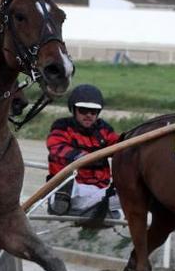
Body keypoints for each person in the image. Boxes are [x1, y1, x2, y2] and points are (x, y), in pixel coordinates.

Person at [46, 84, 121, 218]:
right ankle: (67, 206)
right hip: (72, 189)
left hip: (100, 190)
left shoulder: (104, 130)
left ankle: (97, 210)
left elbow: (120, 145)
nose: (88, 115)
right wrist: (82, 157)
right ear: (74, 110)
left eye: (93, 112)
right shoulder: (62, 127)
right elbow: (56, 147)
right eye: (83, 110)